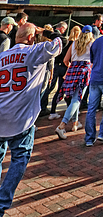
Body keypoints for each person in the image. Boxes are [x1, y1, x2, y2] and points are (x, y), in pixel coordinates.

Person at [0, 23, 62, 215]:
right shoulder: (34, 50)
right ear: (30, 37)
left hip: (1, 115)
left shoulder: (1, 56)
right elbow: (61, 41)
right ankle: (1, 203)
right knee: (19, 158)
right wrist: (45, 32)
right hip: (22, 118)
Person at [55, 26, 94, 139]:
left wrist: (71, 67)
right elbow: (94, 59)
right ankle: (62, 125)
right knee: (77, 98)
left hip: (73, 69)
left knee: (74, 98)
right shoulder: (92, 44)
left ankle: (75, 123)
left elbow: (65, 60)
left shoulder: (74, 43)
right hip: (85, 70)